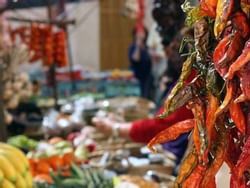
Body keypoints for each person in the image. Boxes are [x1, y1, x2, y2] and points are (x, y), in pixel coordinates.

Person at [93, 30, 195, 166]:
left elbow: (162, 126)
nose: (168, 54)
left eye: (174, 49)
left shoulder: (193, 81)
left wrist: (117, 129)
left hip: (177, 154)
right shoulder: (188, 79)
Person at [128, 27, 153, 100]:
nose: (140, 34)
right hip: (136, 76)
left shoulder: (148, 46)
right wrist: (138, 45)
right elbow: (135, 59)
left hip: (147, 76)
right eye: (138, 33)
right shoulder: (133, 46)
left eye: (142, 32)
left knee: (145, 97)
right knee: (135, 96)